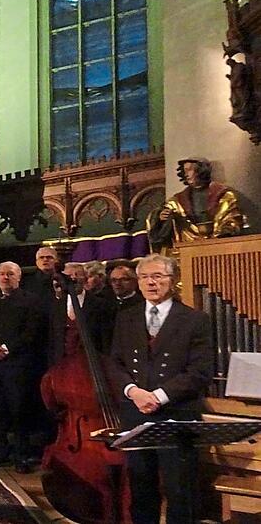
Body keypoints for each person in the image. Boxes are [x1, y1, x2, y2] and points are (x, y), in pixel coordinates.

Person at [108, 254, 213, 524]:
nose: (150, 282)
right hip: (135, 414)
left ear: (173, 280)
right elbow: (115, 363)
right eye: (144, 277)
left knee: (180, 490)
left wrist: (158, 396)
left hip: (177, 413)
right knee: (141, 489)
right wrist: (133, 391)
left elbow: (200, 371)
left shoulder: (194, 319)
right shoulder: (126, 317)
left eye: (157, 276)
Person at [0, 262, 43, 473]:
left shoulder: (30, 301)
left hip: (17, 364)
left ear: (18, 277)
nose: (5, 277)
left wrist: (6, 348)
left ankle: (21, 454)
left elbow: (32, 332)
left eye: (10, 274)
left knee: (18, 409)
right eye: (2, 274)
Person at [148, 158, 245, 252]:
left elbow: (231, 218)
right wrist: (161, 218)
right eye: (184, 171)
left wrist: (223, 233)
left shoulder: (223, 195)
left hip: (219, 246)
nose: (186, 174)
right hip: (188, 247)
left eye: (189, 170)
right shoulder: (178, 200)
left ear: (201, 170)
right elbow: (163, 221)